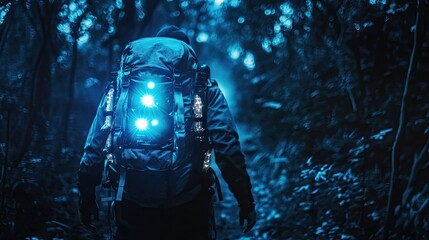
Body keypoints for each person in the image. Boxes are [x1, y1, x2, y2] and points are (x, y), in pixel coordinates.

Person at [77, 25, 256, 240]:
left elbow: (95, 145)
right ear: (187, 54)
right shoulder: (204, 88)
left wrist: (86, 199)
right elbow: (227, 147)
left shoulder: (120, 88)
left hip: (132, 204)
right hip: (188, 206)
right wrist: (245, 201)